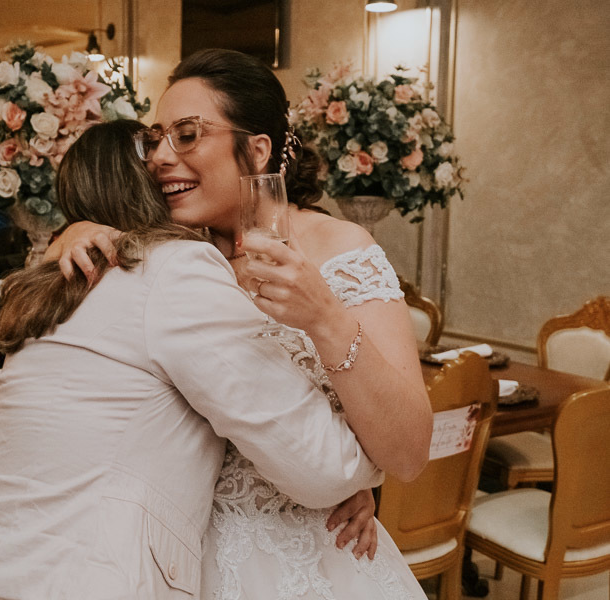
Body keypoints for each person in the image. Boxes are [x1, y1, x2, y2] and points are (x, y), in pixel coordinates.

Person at [0, 120, 387, 599]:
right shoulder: (172, 269)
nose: (172, 167)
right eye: (160, 157)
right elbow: (318, 463)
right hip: (73, 580)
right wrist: (362, 467)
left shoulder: (55, 284)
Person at [46, 49, 432, 599]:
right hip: (166, 556)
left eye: (186, 135)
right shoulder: (162, 261)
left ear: (256, 149)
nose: (159, 156)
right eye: (156, 138)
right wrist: (72, 233)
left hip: (309, 558)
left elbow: (410, 453)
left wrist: (324, 318)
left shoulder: (342, 250)